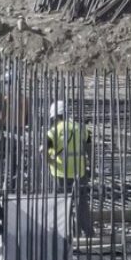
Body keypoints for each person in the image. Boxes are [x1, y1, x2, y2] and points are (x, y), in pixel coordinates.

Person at [44, 100, 93, 237]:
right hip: (80, 172)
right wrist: (91, 165)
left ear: (54, 116)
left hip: (61, 173)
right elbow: (89, 147)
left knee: (63, 203)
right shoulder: (80, 128)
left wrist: (50, 161)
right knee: (82, 203)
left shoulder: (53, 132)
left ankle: (66, 232)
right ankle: (87, 232)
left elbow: (42, 150)